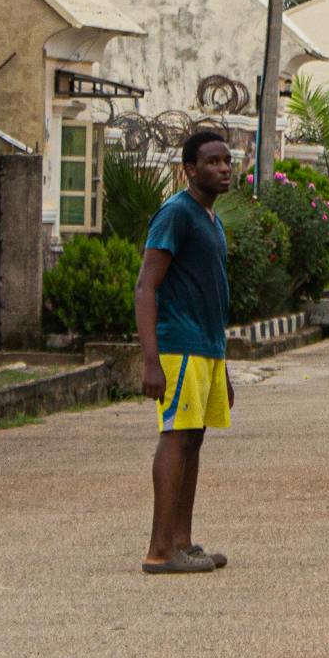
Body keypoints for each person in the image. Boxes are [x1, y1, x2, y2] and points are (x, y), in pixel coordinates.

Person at [136, 127, 236, 574]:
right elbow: (146, 286)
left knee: (193, 439)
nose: (224, 168)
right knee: (175, 438)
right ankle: (159, 550)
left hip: (207, 348)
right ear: (190, 169)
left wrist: (223, 365)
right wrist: (151, 360)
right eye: (213, 162)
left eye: (227, 161)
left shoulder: (211, 218)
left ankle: (183, 541)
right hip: (179, 345)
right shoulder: (175, 214)